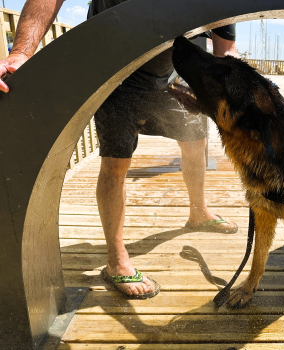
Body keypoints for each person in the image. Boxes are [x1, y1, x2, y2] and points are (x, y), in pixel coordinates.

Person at [0, 0, 239, 299]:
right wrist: (22, 52)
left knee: (195, 141)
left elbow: (225, 50)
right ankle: (116, 260)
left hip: (170, 74)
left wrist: (236, 92)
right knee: (116, 164)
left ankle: (198, 212)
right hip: (115, 74)